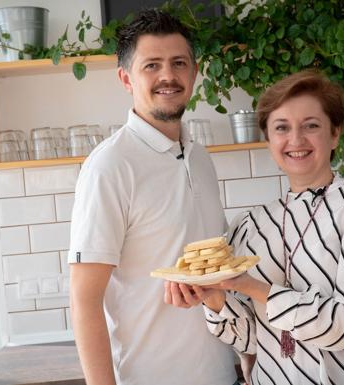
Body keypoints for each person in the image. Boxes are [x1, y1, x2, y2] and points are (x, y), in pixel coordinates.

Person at [166, 70, 344, 384]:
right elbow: (254, 339)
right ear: (268, 139)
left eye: (311, 126)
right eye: (282, 128)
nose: (296, 140)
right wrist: (213, 297)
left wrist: (251, 286)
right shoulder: (252, 226)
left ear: (334, 134)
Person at [68, 9, 236, 385]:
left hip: (221, 374)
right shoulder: (109, 167)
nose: (168, 76)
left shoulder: (200, 157)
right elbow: (84, 298)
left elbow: (217, 273)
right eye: (152, 65)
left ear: (194, 73)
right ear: (126, 78)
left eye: (179, 63)